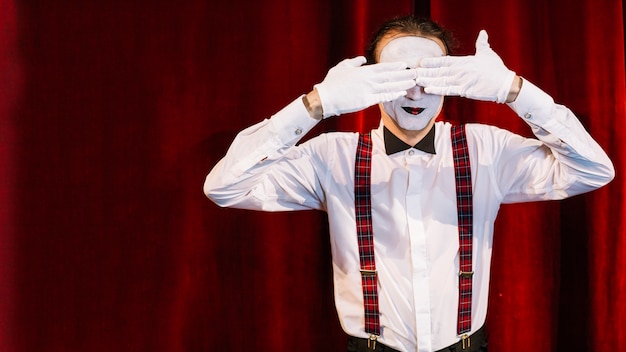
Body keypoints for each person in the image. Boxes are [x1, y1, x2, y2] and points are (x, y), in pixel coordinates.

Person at [203, 16, 614, 352]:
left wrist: (515, 91)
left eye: (428, 75)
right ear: (371, 82)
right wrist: (314, 105)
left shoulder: (487, 149)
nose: (415, 90)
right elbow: (225, 187)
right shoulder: (332, 157)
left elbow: (594, 170)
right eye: (399, 75)